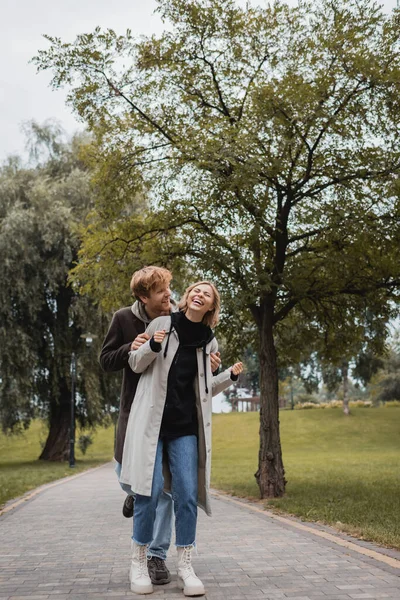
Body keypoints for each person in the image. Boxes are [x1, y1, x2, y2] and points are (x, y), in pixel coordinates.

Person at [99, 267, 222, 587]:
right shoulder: (125, 319)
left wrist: (211, 370)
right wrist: (136, 346)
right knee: (142, 488)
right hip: (137, 413)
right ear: (144, 297)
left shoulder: (184, 323)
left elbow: (202, 380)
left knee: (173, 493)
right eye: (162, 292)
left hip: (180, 423)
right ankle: (138, 536)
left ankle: (158, 555)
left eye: (170, 290)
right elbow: (109, 359)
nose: (170, 295)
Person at [120, 281, 243, 596]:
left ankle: (186, 565)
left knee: (187, 495)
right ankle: (139, 561)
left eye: (208, 293)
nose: (200, 294)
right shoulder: (162, 324)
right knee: (148, 492)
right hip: (152, 422)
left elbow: (204, 389)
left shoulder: (209, 343)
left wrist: (228, 377)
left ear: (211, 306)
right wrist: (152, 346)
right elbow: (135, 363)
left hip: (185, 426)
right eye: (196, 290)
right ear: (188, 297)